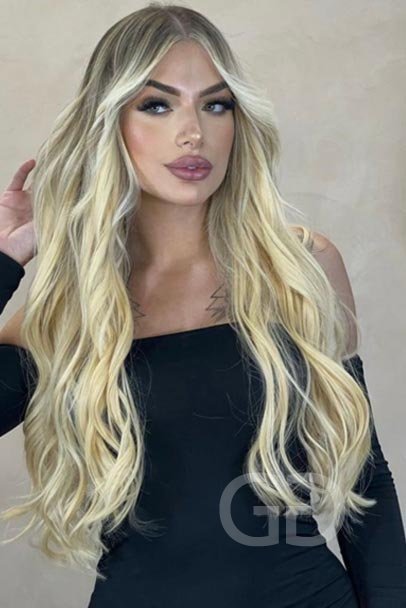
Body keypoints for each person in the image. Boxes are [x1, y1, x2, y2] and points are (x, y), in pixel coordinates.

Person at [0, 3, 405, 607]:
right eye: (156, 104)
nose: (193, 132)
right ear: (109, 122)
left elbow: (365, 484)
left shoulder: (301, 270)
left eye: (216, 105)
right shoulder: (71, 306)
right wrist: (5, 258)